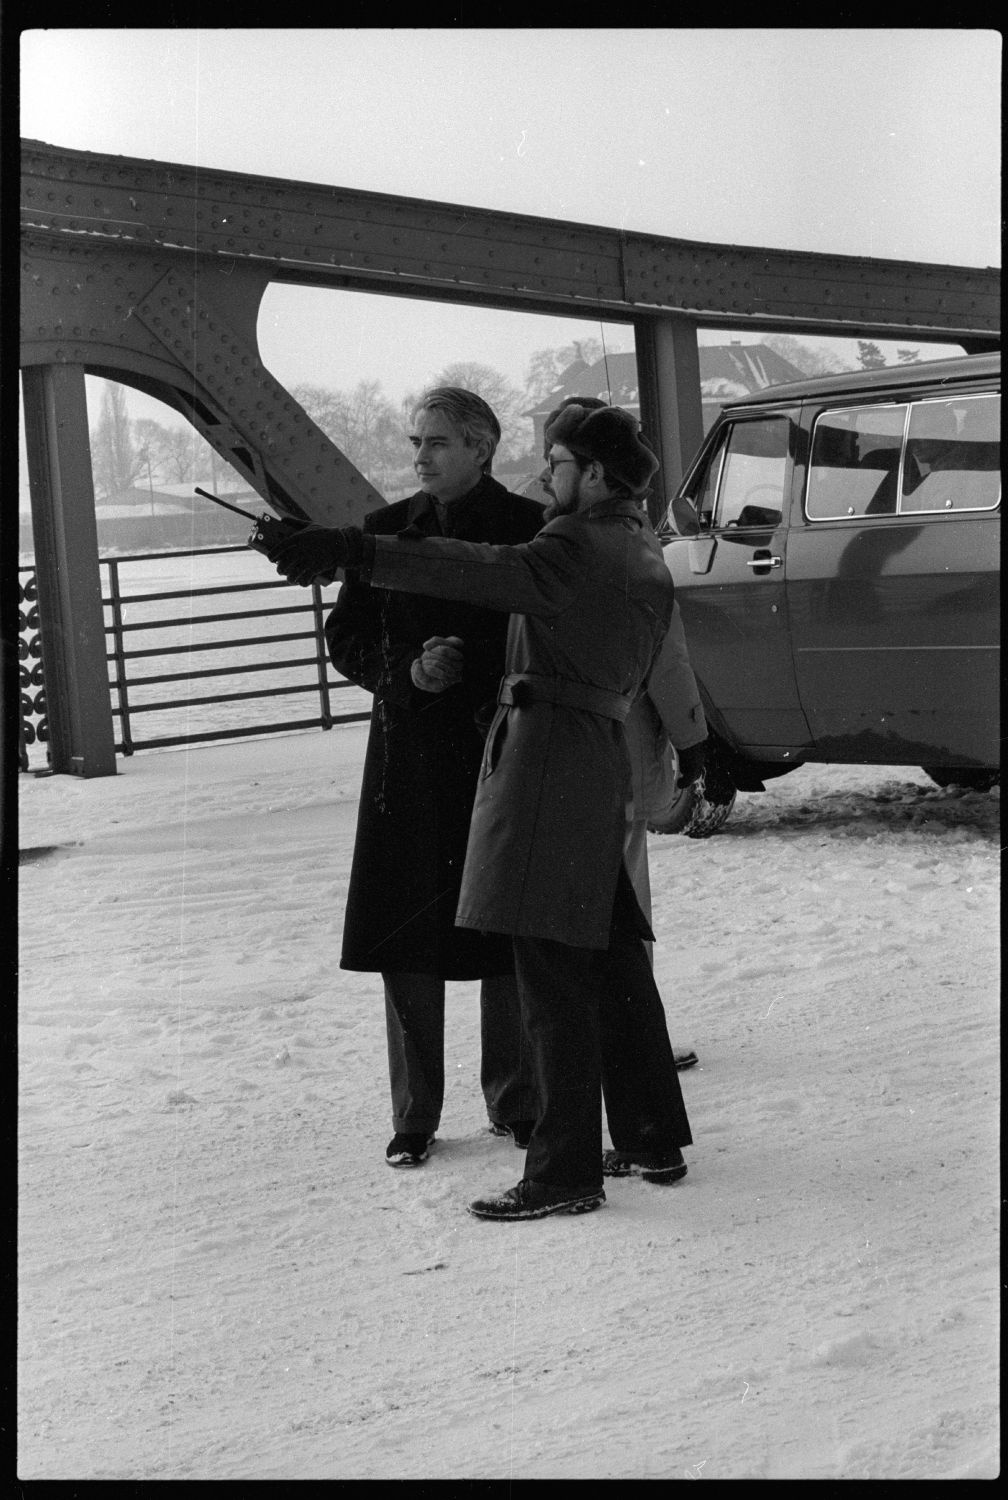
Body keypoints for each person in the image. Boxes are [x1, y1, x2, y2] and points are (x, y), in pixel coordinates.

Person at [269, 402, 694, 1221]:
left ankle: (563, 1172)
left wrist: (355, 549)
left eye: (558, 463)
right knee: (613, 956)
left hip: (546, 765)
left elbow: (478, 569)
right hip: (597, 759)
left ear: (596, 475)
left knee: (550, 974)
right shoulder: (640, 544)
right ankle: (649, 1138)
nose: (545, 477)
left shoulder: (572, 541)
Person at [324, 387, 545, 1168]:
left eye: (436, 443)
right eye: (416, 443)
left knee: (503, 925)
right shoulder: (386, 531)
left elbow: (547, 632)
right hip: (408, 763)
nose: (418, 458)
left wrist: (475, 669)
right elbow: (344, 634)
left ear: (482, 448)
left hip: (499, 750)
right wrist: (406, 673)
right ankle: (414, 1114)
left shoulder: (528, 529)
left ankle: (516, 1100)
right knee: (407, 935)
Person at [537, 397, 708, 1069]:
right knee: (624, 893)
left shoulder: (548, 538)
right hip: (619, 741)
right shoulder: (635, 549)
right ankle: (635, 1036)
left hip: (554, 748)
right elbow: (669, 661)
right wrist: (694, 743)